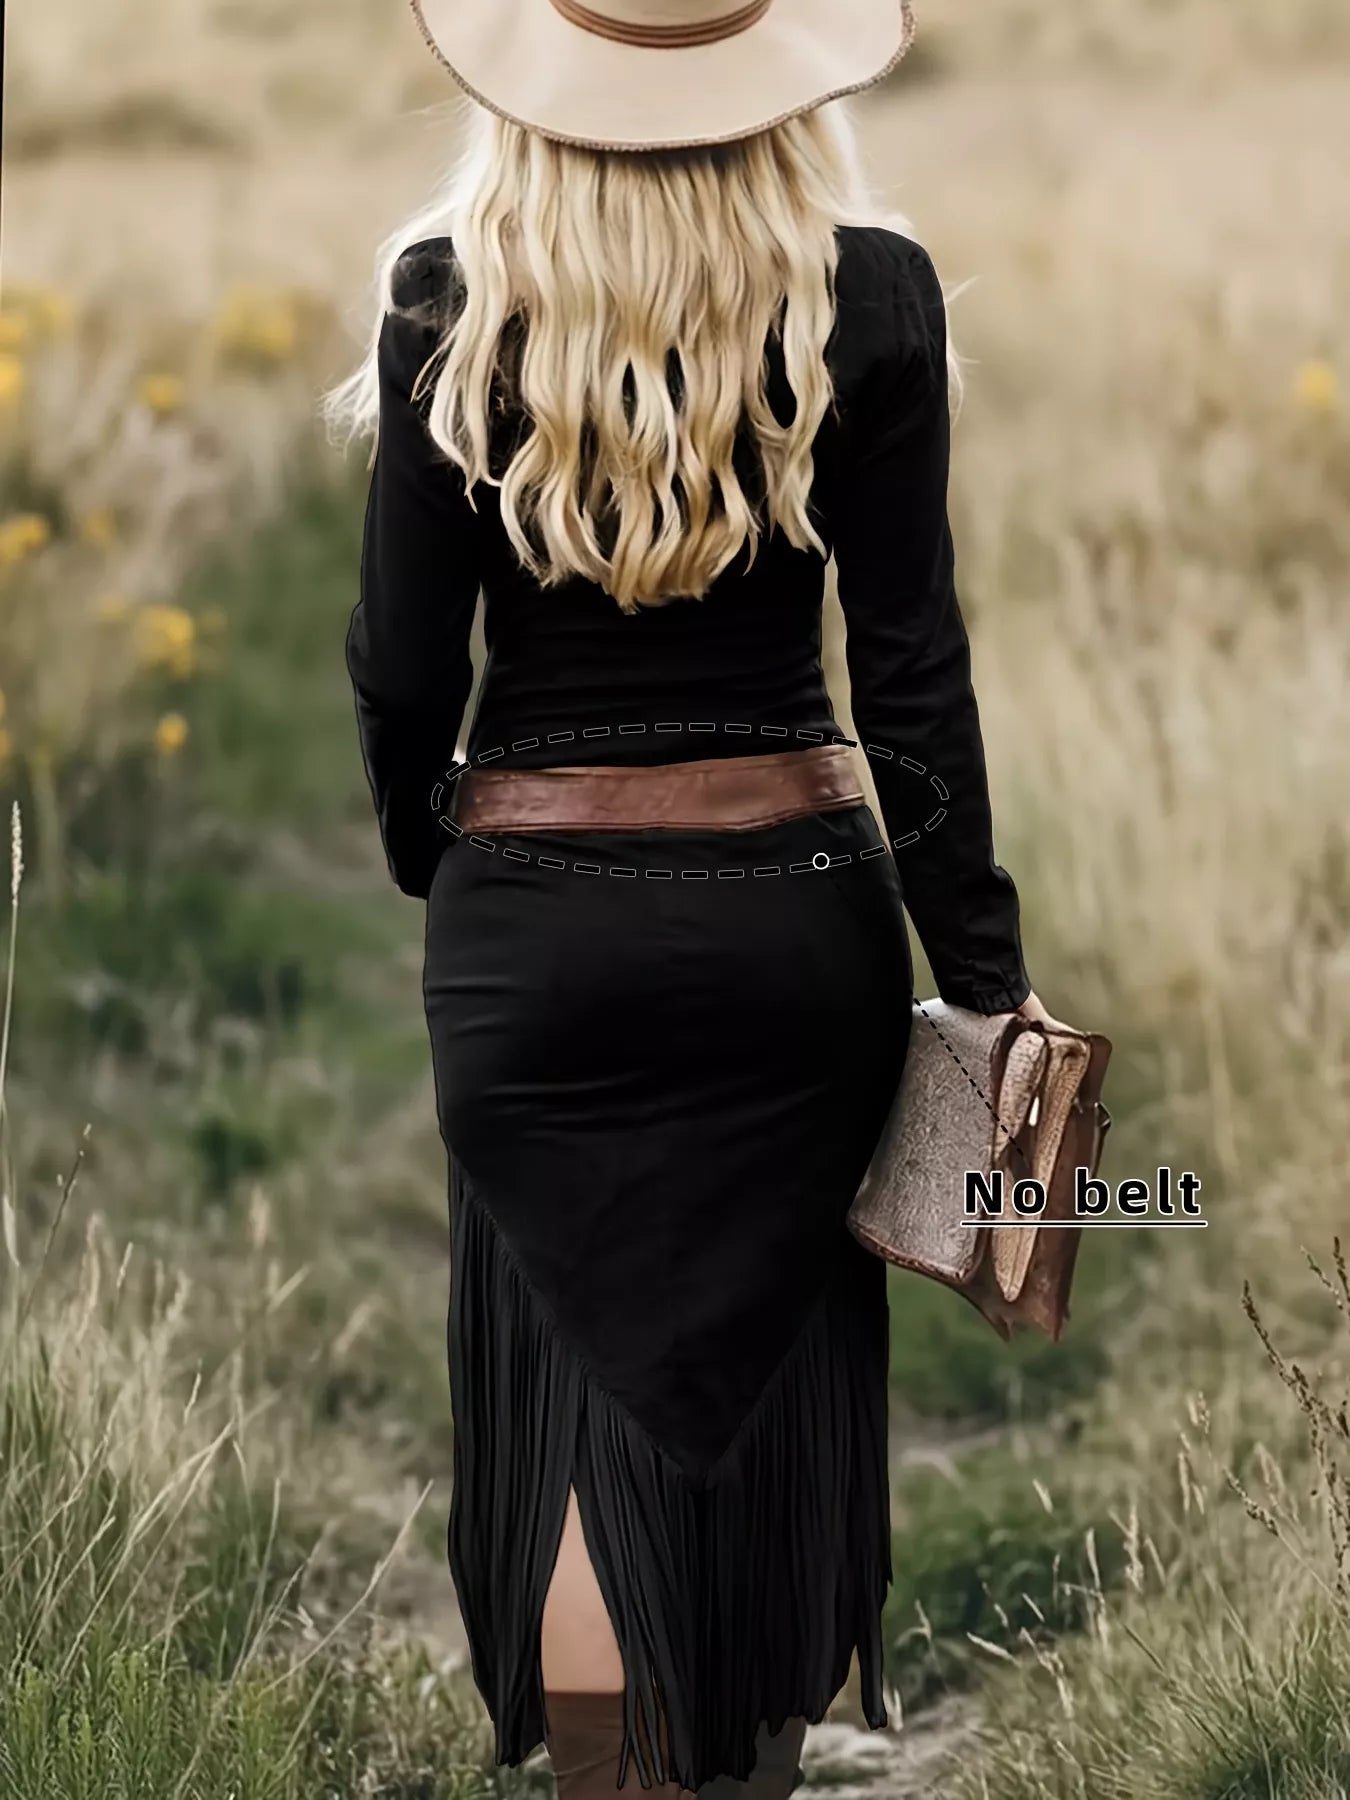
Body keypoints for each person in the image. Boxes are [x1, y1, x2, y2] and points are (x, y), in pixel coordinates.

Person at [323, 1, 1052, 1793]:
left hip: (529, 948)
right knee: (768, 1393)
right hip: (792, 927)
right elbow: (912, 686)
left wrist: (454, 864)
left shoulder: (449, 293)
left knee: (581, 1400)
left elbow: (402, 672)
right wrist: (984, 982)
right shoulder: (866, 298)